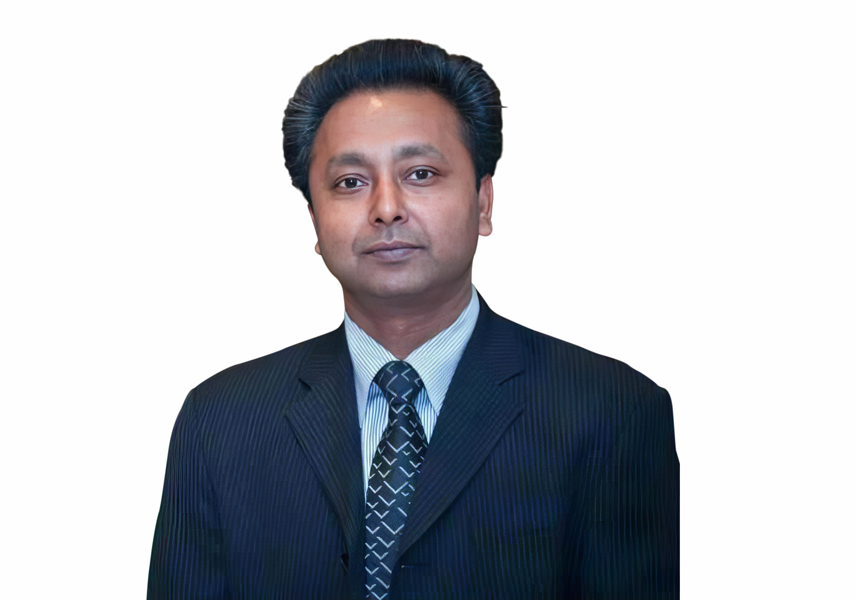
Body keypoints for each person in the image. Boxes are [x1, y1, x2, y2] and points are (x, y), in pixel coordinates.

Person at [147, 38, 679, 600]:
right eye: (350, 182)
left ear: (483, 202)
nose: (386, 208)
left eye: (420, 173)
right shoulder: (220, 421)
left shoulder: (611, 412)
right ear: (314, 218)